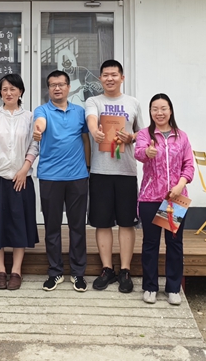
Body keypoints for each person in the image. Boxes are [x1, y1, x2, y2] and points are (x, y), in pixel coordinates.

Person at [0, 74, 40, 291]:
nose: (8, 93)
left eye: (13, 89)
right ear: (0, 92)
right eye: (4, 89)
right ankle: (0, 270)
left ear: (20, 91)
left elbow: (34, 145)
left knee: (19, 225)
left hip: (21, 179)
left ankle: (16, 271)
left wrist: (24, 169)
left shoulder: (30, 117)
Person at [85, 59, 143, 293]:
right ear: (100, 78)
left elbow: (143, 133)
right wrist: (94, 131)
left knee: (127, 222)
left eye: (114, 74)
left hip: (126, 171)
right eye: (105, 75)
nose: (110, 78)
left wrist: (132, 137)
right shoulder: (94, 101)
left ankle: (125, 270)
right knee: (103, 222)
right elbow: (91, 118)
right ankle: (107, 268)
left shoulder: (133, 103)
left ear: (122, 77)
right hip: (100, 171)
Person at [32, 70, 91, 293]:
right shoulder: (42, 110)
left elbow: (85, 139)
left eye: (61, 84)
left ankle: (78, 273)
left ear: (68, 87)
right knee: (52, 227)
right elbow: (40, 124)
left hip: (77, 176)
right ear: (48, 88)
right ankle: (55, 271)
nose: (57, 88)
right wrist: (38, 130)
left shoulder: (80, 112)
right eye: (52, 85)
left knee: (78, 227)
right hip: (50, 177)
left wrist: (87, 167)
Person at [134, 93, 195, 305]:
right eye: (155, 109)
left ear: (170, 111)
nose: (159, 113)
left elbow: (189, 165)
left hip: (175, 198)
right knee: (150, 244)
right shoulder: (145, 134)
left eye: (163, 108)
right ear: (150, 112)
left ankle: (173, 288)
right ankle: (150, 287)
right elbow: (139, 153)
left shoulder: (182, 136)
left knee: (174, 244)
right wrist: (148, 152)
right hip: (150, 197)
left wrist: (180, 185)